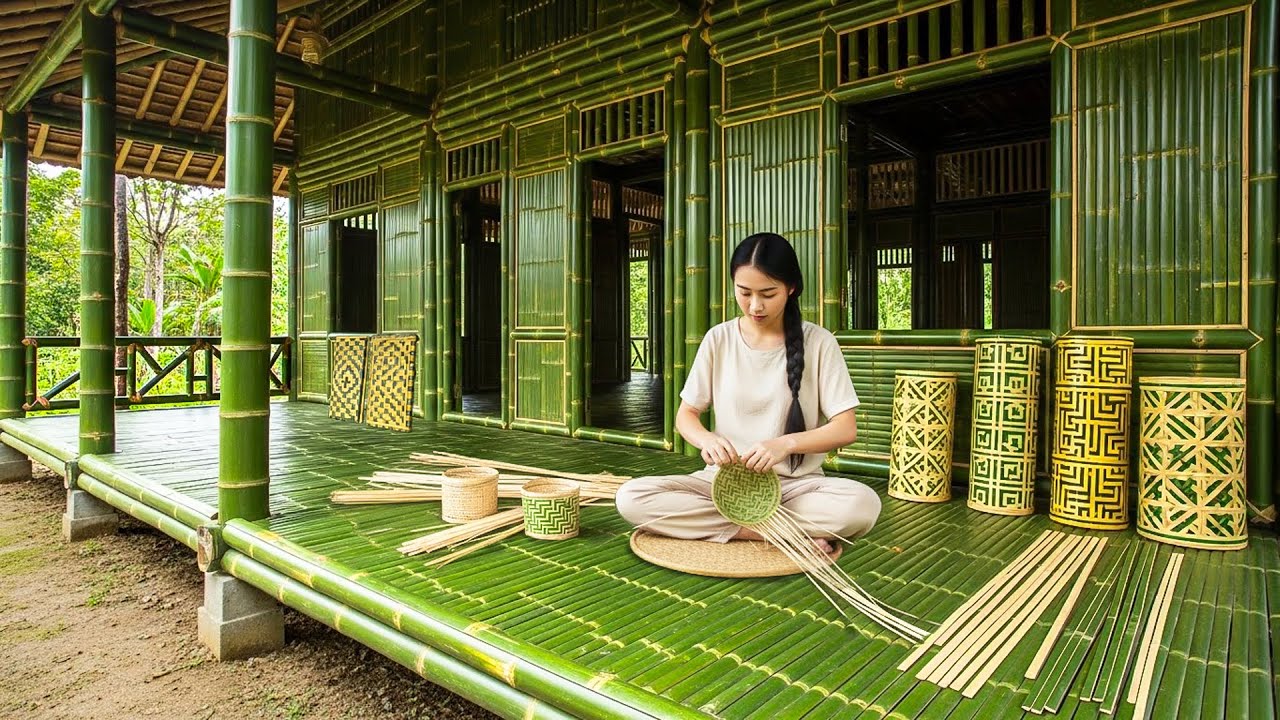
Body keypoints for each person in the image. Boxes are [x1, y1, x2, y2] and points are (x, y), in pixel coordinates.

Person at [615, 232, 881, 552]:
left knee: (862, 505)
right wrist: (706, 440)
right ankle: (763, 532)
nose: (755, 305)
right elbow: (686, 415)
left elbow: (845, 427)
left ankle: (738, 527)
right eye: (744, 293)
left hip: (796, 489)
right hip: (721, 487)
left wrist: (786, 444)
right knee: (631, 497)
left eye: (768, 294)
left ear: (791, 288)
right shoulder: (719, 339)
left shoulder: (820, 342)